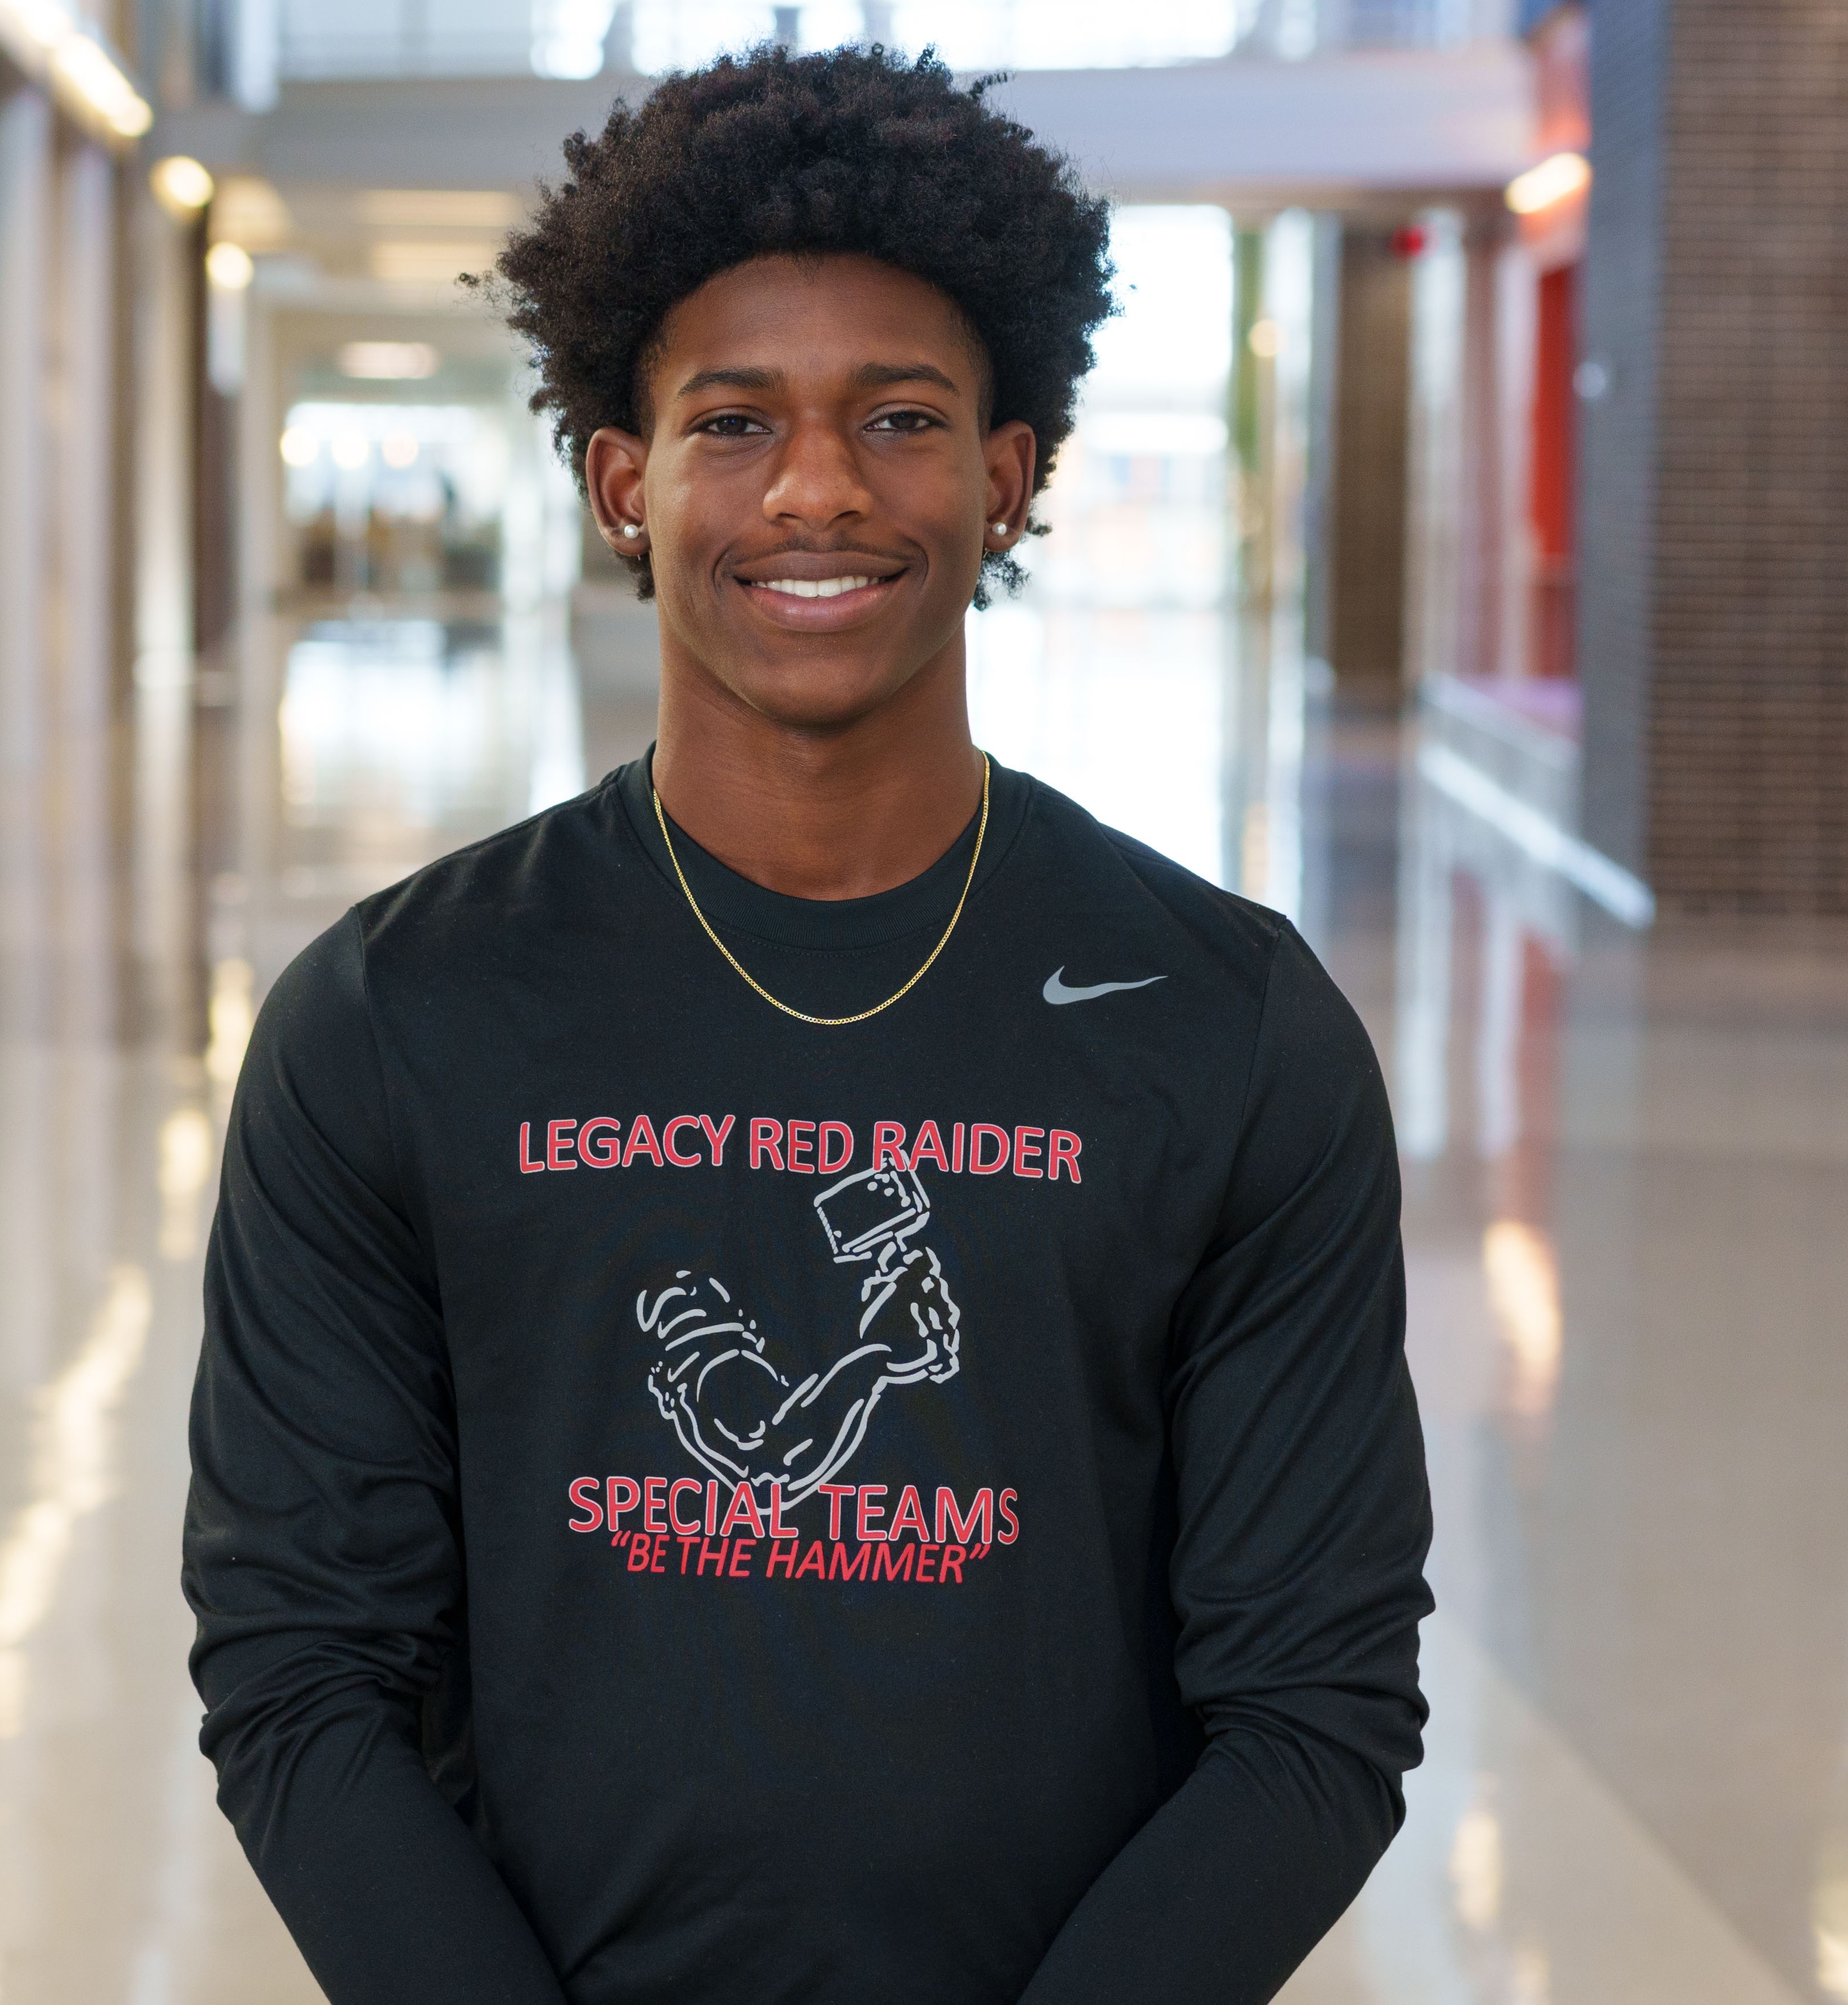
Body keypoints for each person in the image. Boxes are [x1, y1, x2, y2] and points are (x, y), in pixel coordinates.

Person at [184, 43, 1434, 2005]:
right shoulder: (393, 1016)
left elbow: (1314, 1706)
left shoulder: (1225, 1026)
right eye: (733, 419)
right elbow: (298, 1668)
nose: (820, 487)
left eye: (904, 416)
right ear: (622, 480)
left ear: (1010, 475)